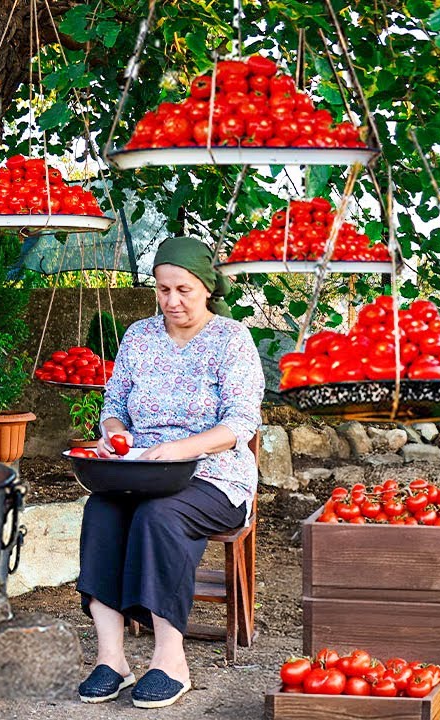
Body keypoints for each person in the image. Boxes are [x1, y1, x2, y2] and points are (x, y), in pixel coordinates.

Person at [75, 236, 263, 709]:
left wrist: (179, 449)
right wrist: (113, 434)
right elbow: (113, 406)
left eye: (183, 289)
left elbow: (240, 422)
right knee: (100, 510)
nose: (172, 301)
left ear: (207, 288)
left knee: (159, 516)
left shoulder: (231, 339)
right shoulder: (139, 335)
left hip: (215, 475)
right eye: (163, 290)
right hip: (142, 469)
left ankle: (169, 660)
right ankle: (112, 658)